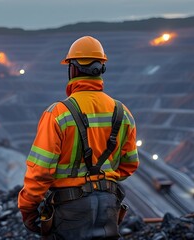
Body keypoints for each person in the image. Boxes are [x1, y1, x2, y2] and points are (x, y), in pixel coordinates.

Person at [18, 36, 140, 239]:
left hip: (69, 210)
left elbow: (40, 171)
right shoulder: (122, 112)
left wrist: (28, 207)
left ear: (72, 69)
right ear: (101, 69)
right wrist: (103, 181)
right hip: (109, 206)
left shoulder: (58, 113)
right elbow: (130, 164)